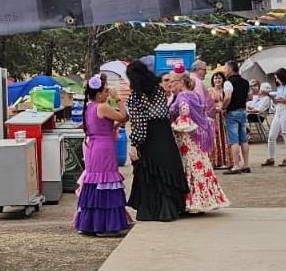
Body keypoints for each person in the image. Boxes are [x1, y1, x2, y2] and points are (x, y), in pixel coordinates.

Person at [125, 60, 189, 221]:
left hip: (150, 138)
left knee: (150, 173)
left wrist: (135, 144)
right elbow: (163, 113)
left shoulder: (135, 97)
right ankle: (169, 210)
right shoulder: (159, 91)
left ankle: (151, 211)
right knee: (166, 171)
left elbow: (139, 124)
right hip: (165, 134)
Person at [75, 74, 130, 237]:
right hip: (104, 148)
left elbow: (101, 125)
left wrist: (114, 124)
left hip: (93, 146)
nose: (107, 93)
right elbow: (124, 116)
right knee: (106, 180)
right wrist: (118, 99)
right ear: (98, 94)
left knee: (95, 181)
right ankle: (106, 225)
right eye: (105, 91)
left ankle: (91, 223)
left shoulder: (89, 107)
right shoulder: (103, 107)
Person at [169, 72, 229, 213]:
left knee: (190, 166)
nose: (171, 84)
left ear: (181, 82)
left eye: (173, 81)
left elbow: (184, 111)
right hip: (197, 138)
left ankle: (193, 202)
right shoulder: (195, 95)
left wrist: (179, 120)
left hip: (186, 137)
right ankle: (206, 199)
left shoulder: (182, 96)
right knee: (201, 165)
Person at [221, 59, 251, 174]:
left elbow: (228, 97)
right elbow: (250, 97)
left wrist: (223, 107)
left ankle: (236, 165)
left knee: (234, 140)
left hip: (232, 112)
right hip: (243, 111)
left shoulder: (228, 82)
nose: (225, 71)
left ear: (230, 69)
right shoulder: (245, 82)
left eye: (225, 68)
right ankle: (246, 164)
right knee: (243, 139)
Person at [209, 71, 232, 169]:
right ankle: (215, 161)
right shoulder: (210, 90)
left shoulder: (226, 90)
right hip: (214, 117)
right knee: (215, 138)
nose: (217, 80)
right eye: (215, 78)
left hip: (224, 116)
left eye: (219, 78)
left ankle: (225, 160)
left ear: (223, 79)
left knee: (225, 138)